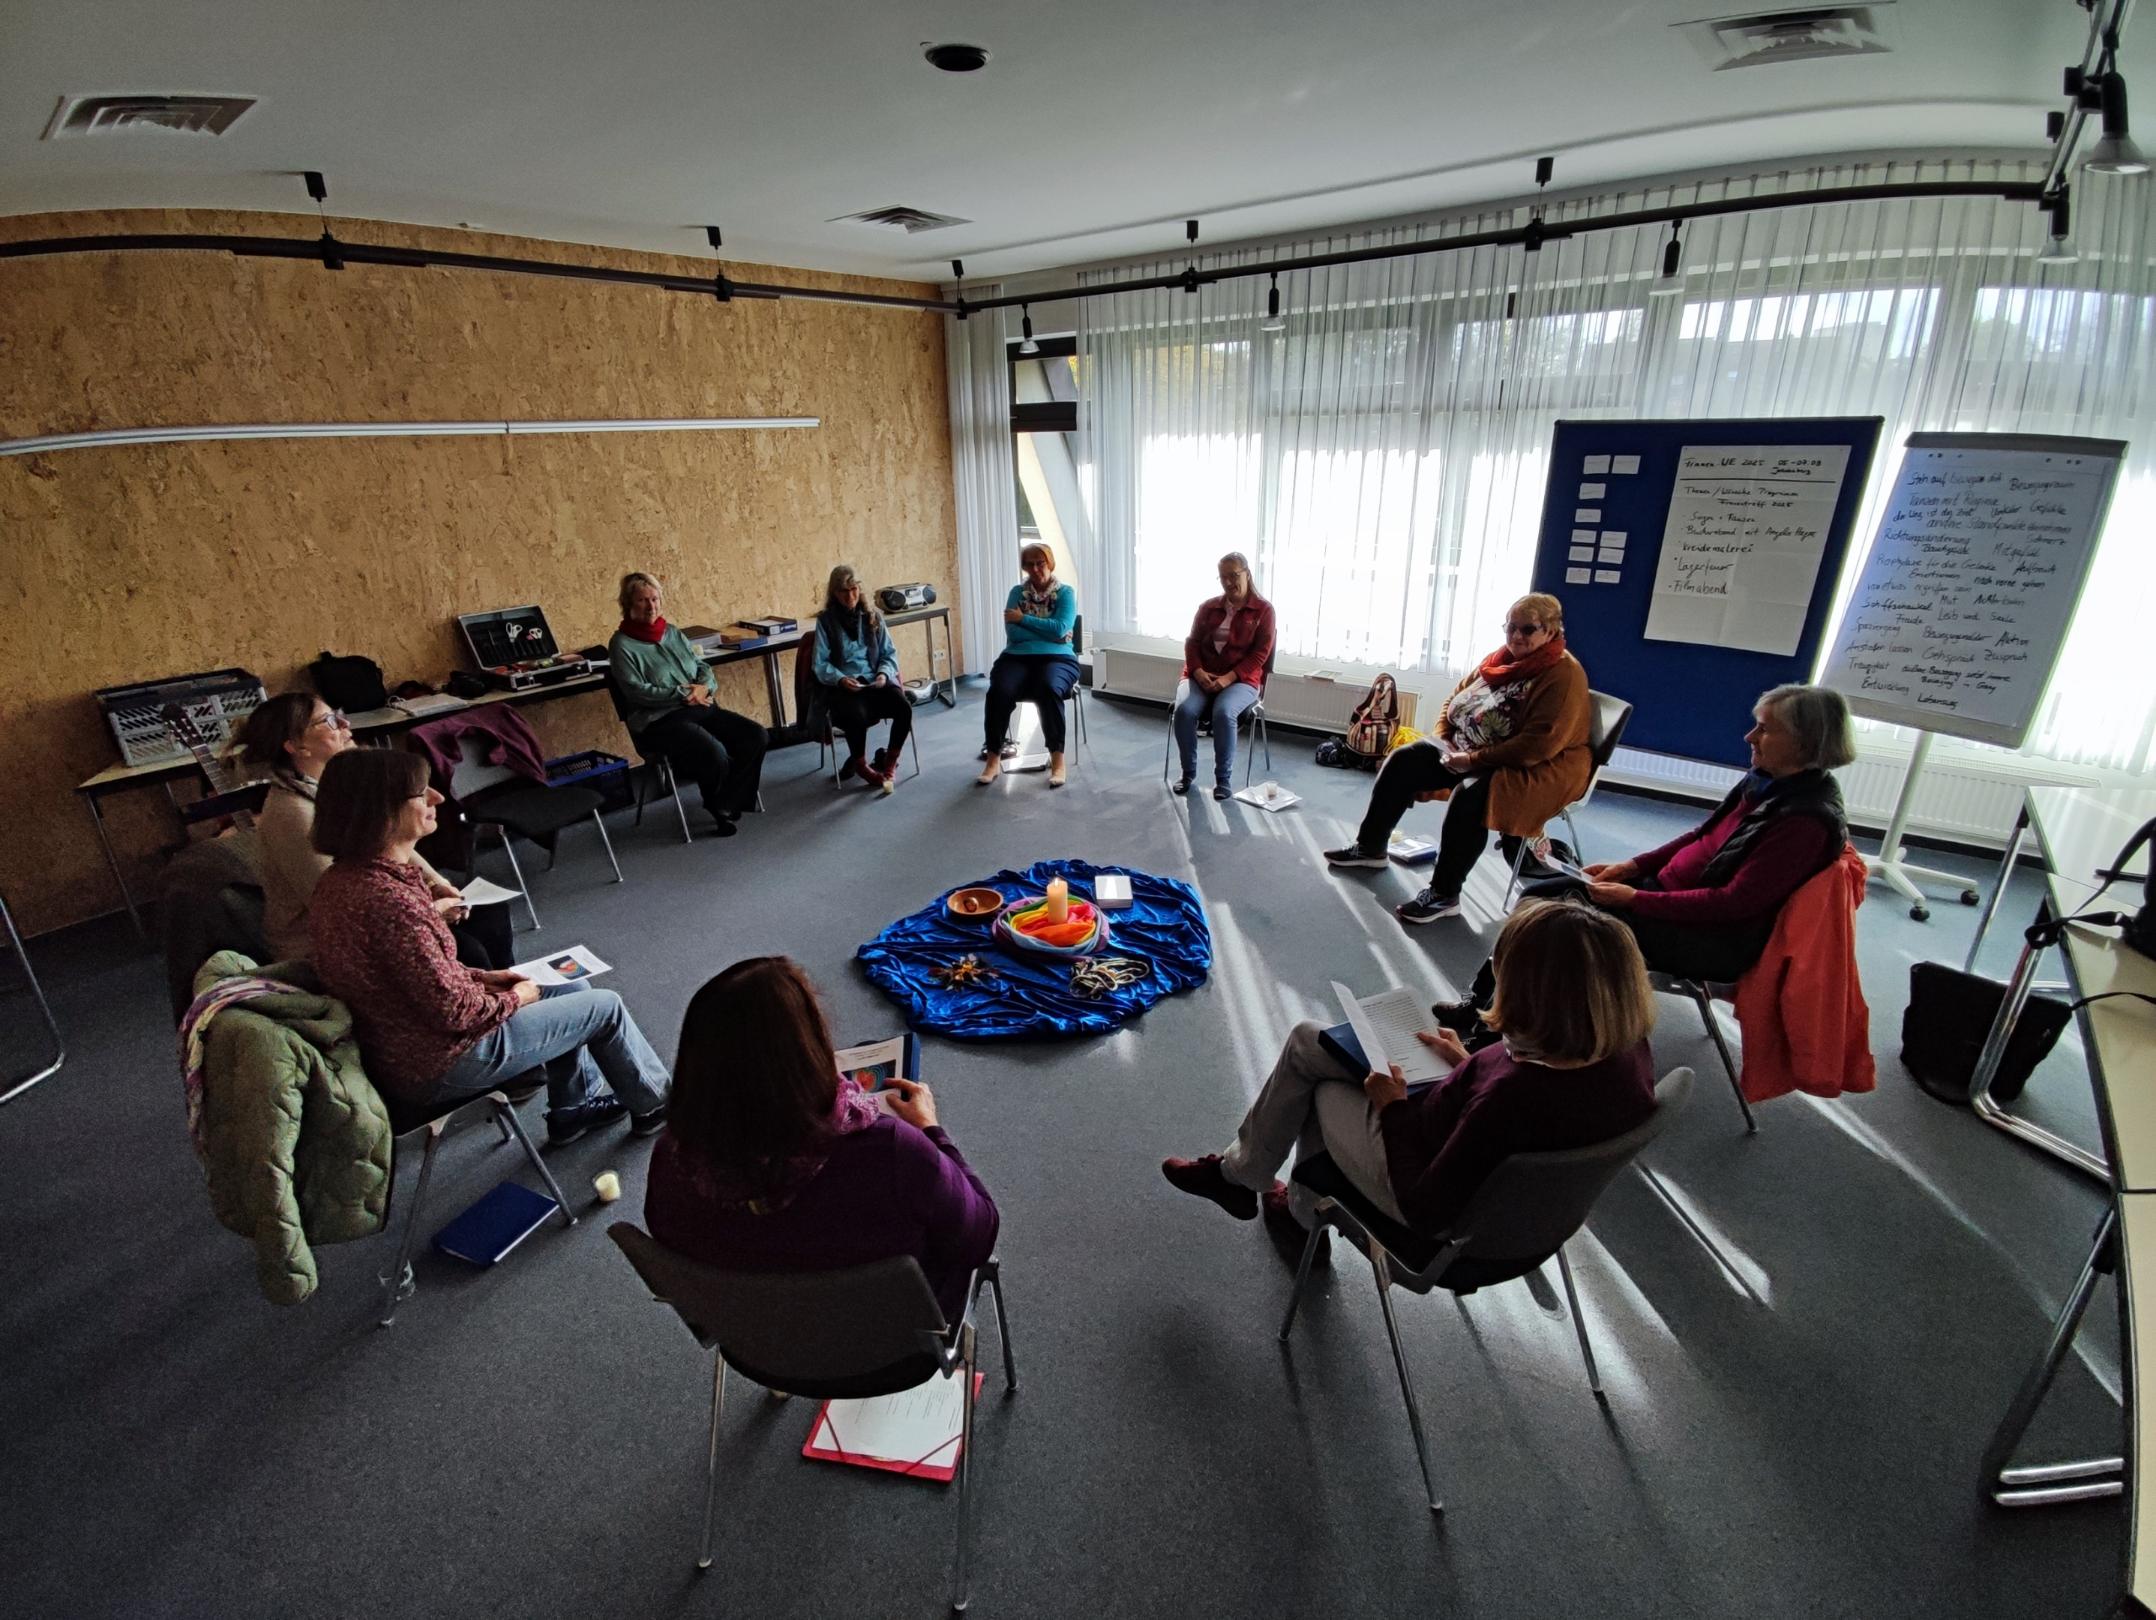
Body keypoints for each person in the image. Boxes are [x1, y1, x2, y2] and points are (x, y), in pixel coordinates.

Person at [1162, 900, 1657, 1264]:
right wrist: (1470, 1062)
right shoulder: (1626, 1051)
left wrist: (1392, 1106)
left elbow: (1424, 1206)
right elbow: (1512, 1100)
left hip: (1434, 1206)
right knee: (1312, 1042)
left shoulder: (1511, 1095)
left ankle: (1281, 1206)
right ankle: (1259, 1188)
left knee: (1318, 1076)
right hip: (1529, 1218)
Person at [1434, 683, 1856, 1034]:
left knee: (1553, 931)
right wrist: (1633, 868)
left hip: (1708, 936)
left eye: (1764, 729)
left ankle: (1498, 1034)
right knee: (1539, 895)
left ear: (1805, 742)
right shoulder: (1767, 781)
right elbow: (1701, 836)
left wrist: (1633, 899)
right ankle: (1483, 1006)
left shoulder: (1804, 822)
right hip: (1667, 899)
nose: (1749, 737)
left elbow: (1731, 904)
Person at [307, 748, 671, 1145]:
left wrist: (484, 977)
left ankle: (571, 1110)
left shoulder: (344, 880)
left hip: (405, 1044)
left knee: (571, 986)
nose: (437, 798)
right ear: (381, 810)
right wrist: (516, 997)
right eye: (421, 792)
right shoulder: (390, 902)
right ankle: (656, 1104)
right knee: (605, 1007)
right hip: (442, 1062)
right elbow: (455, 1013)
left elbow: (414, 976)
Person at [644, 956, 999, 1323]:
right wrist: (930, 1130)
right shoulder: (892, 1150)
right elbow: (980, 1233)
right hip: (896, 1348)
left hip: (760, 1343)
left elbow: (675, 1252)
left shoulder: (673, 1159)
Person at [1324, 593, 1591, 925]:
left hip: (1538, 766)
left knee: (1472, 796)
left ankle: (1444, 894)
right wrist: (1445, 739)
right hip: (1470, 749)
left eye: (1528, 629)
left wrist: (1472, 760)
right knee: (1403, 760)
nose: (1516, 637)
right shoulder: (1500, 659)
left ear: (1551, 631)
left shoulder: (1563, 675)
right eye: (1511, 628)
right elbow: (1457, 699)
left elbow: (1538, 745)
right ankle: (1370, 848)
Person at [234, 692, 511, 970]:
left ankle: (512, 995)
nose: (344, 724)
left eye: (338, 713)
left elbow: (391, 843)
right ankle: (493, 1004)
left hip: (384, 904)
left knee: (488, 912)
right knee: (467, 951)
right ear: (297, 746)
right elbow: (342, 905)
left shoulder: (337, 785)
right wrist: (430, 910)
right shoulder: (292, 814)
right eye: (328, 721)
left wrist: (437, 882)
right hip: (326, 942)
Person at [607, 570, 768, 837]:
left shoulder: (671, 632)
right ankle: (718, 807)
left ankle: (728, 798)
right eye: (643, 600)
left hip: (698, 707)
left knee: (756, 736)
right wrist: (683, 694)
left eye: (656, 599)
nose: (651, 606)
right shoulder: (621, 645)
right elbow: (637, 692)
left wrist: (705, 686)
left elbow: (701, 666)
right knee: (712, 752)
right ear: (628, 604)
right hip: (659, 721)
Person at [1171, 552, 1276, 801]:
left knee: (1224, 712)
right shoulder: (1208, 607)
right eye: (1223, 577)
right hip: (1200, 674)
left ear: (1247, 575)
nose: (1229, 582)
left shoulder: (1263, 611)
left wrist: (1228, 678)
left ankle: (1223, 780)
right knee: (1184, 711)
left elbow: (1260, 655)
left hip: (1242, 680)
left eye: (1234, 575)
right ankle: (1188, 773)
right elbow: (1192, 643)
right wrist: (1197, 672)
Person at [976, 542, 1080, 790]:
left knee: (1049, 688)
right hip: (1017, 656)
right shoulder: (1017, 593)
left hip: (1059, 658)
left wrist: (1023, 619)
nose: (1035, 568)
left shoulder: (1065, 593)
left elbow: (1061, 629)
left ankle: (1057, 760)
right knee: (998, 692)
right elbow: (1013, 633)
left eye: (1040, 562)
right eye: (1029, 564)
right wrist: (1046, 631)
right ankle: (993, 759)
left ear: (1050, 563)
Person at [811, 564, 911, 796]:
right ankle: (861, 765)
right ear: (834, 594)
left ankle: (889, 762)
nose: (850, 596)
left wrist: (884, 673)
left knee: (903, 707)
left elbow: (889, 653)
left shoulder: (873, 615)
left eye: (854, 589)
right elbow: (820, 664)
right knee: (856, 715)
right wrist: (840, 678)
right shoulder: (825, 621)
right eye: (844, 591)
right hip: (846, 686)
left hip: (875, 681)